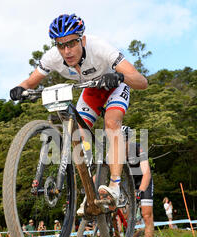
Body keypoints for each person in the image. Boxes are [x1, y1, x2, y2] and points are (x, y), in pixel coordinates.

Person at [10, 13, 148, 208]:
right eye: (60, 45)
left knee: (111, 123)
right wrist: (20, 89)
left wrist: (120, 77)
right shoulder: (52, 57)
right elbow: (29, 82)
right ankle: (92, 188)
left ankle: (115, 185)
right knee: (77, 134)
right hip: (91, 90)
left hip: (115, 85)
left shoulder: (99, 48)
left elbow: (142, 82)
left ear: (82, 39)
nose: (67, 51)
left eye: (72, 43)